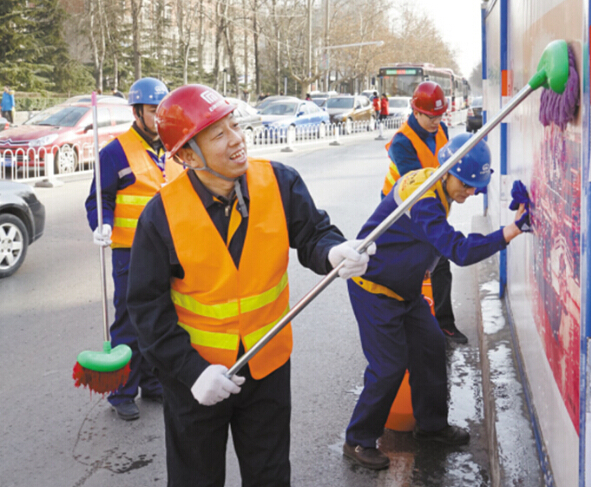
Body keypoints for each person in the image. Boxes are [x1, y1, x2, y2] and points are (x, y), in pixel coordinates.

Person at [125, 84, 375, 486]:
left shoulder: (279, 182)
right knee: (195, 480)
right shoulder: (161, 215)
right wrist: (192, 373)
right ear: (188, 156)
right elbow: (146, 308)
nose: (236, 140)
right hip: (198, 376)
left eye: (234, 125)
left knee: (269, 476)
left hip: (267, 365)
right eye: (218, 134)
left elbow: (313, 234)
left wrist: (333, 252)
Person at [342, 133, 531, 470]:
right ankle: (358, 439)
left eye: (475, 186)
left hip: (405, 290)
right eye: (466, 184)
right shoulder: (424, 199)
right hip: (374, 290)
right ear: (448, 172)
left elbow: (462, 196)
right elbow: (458, 250)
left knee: (430, 347)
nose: (470, 192)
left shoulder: (440, 182)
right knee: (389, 367)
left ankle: (431, 427)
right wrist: (510, 231)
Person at [85, 77, 183, 421]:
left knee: (162, 318)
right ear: (137, 112)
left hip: (169, 251)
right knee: (129, 322)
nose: (159, 117)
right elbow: (99, 198)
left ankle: (153, 383)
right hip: (130, 253)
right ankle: (121, 392)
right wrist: (101, 223)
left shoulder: (174, 148)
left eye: (163, 110)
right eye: (153, 110)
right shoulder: (114, 152)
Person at [381, 81, 467, 343]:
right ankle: (399, 323)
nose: (436, 122)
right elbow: (415, 188)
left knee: (440, 264)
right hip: (401, 211)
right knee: (407, 266)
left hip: (431, 204)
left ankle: (444, 324)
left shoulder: (441, 130)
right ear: (415, 112)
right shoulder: (402, 142)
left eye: (439, 116)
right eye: (430, 116)